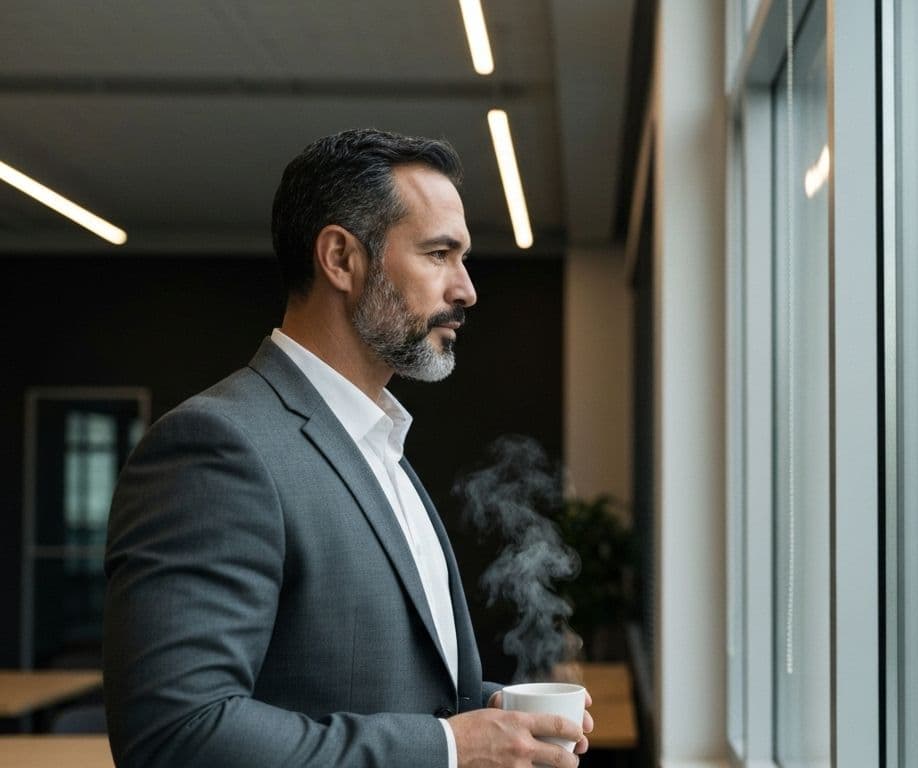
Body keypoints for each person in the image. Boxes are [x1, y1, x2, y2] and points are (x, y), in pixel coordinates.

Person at [103, 128, 591, 768]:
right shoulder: (218, 448)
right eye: (440, 253)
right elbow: (177, 734)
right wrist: (449, 746)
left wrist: (493, 718)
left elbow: (375, 685)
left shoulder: (377, 442)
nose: (466, 289)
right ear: (341, 259)